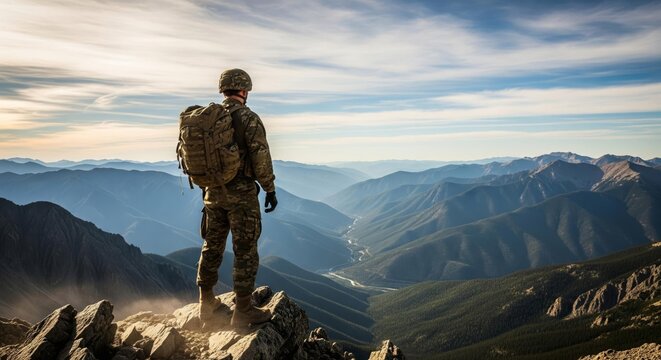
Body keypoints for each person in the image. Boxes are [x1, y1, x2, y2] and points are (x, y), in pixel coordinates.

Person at [196, 68, 278, 327]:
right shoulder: (248, 118)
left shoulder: (208, 119)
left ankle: (206, 303)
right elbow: (260, 158)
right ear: (244, 90)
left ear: (223, 90)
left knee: (212, 245)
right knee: (245, 251)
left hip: (212, 193)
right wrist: (269, 189)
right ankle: (243, 311)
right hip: (241, 195)